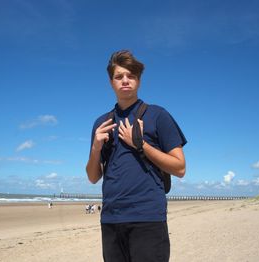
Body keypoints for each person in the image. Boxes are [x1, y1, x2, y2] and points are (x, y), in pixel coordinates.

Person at [86, 50, 187, 262]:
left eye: (131, 76)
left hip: (148, 217)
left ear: (139, 81)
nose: (125, 80)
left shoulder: (158, 115)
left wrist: (140, 144)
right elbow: (93, 177)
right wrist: (96, 147)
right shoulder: (102, 123)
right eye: (119, 76)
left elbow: (180, 168)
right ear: (111, 81)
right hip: (111, 219)